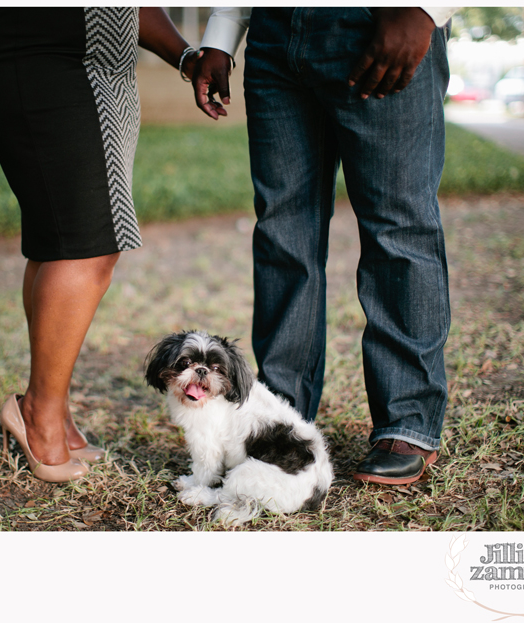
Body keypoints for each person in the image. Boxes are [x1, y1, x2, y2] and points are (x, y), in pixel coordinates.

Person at [191, 7, 456, 485]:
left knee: (397, 227)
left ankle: (407, 421)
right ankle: (279, 421)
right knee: (282, 233)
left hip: (380, 21)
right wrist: (224, 28)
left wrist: (426, 10)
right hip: (275, 33)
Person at [0, 8, 200, 482]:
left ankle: (50, 408)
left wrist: (185, 56)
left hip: (106, 68)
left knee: (60, 240)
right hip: (44, 55)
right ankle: (39, 415)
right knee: (85, 243)